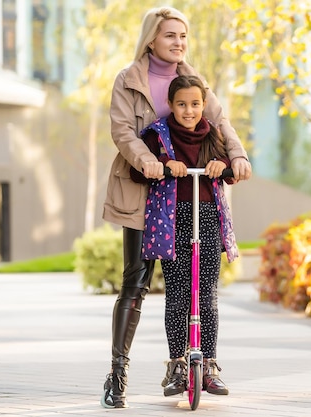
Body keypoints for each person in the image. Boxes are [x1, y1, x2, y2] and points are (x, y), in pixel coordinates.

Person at [101, 7, 251, 409]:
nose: (178, 43)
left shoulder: (194, 79)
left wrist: (238, 157)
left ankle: (201, 363)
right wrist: (146, 161)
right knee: (136, 282)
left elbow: (222, 125)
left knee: (200, 290)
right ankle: (118, 372)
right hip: (143, 191)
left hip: (188, 196)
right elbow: (122, 131)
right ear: (152, 38)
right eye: (171, 36)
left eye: (183, 36)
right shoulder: (129, 79)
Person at [131, 74, 235, 399]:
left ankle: (210, 365)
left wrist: (221, 165)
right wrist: (164, 165)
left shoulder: (213, 135)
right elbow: (139, 169)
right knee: (177, 294)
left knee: (207, 295)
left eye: (194, 104)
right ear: (171, 106)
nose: (188, 111)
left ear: (203, 105)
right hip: (172, 219)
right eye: (181, 104)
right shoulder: (158, 136)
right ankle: (177, 363)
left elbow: (232, 167)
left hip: (207, 218)